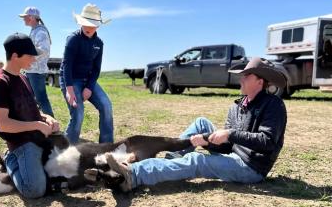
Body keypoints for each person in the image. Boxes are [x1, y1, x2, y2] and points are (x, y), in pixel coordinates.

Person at [105, 57, 288, 192]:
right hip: (234, 154)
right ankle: (169, 163)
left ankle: (134, 175)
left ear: (260, 81)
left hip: (251, 167)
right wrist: (207, 141)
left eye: (246, 76)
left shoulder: (273, 105)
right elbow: (227, 148)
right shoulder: (237, 106)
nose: (241, 79)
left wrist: (229, 134)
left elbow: (268, 141)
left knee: (197, 161)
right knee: (201, 123)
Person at [0, 32, 59, 198]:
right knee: (35, 190)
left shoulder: (23, 78)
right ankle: (10, 160)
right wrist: (36, 125)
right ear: (15, 56)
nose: (33, 59)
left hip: (37, 136)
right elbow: (3, 124)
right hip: (21, 142)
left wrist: (46, 118)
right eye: (30, 55)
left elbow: (30, 110)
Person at [60, 3, 113, 144]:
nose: (89, 27)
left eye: (92, 24)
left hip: (88, 80)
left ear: (98, 25)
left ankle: (107, 147)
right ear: (80, 23)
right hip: (71, 79)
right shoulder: (73, 39)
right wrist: (70, 90)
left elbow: (96, 69)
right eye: (86, 24)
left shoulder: (99, 43)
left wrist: (89, 87)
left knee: (106, 106)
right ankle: (66, 150)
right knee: (78, 113)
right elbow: (67, 65)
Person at [19, 6, 54, 117]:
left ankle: (52, 126)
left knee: (41, 99)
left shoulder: (40, 31)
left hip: (36, 71)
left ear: (32, 17)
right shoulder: (35, 30)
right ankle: (40, 122)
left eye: (25, 17)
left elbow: (43, 50)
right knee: (33, 98)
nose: (23, 19)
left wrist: (27, 57)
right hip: (32, 70)